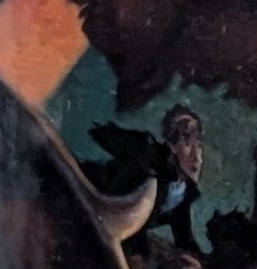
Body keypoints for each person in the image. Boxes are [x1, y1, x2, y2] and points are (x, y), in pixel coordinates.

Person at [84, 103, 206, 252]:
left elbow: (183, 235)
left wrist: (200, 261)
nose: (197, 157)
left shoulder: (183, 191)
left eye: (198, 145)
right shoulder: (150, 161)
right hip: (96, 204)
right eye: (187, 143)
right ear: (171, 146)